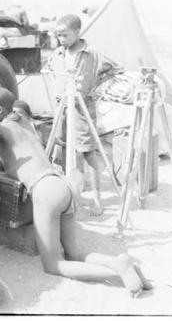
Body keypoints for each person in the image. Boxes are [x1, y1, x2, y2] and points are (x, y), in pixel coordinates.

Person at [0, 87, 150, 297]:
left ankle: (119, 271)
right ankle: (118, 262)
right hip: (62, 184)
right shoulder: (24, 121)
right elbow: (15, 159)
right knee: (75, 254)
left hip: (46, 191)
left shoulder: (3, 128)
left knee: (54, 265)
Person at [46, 14, 124, 215]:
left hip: (82, 108)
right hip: (62, 108)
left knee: (88, 152)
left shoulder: (93, 54)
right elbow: (50, 71)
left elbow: (117, 69)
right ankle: (69, 196)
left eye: (64, 35)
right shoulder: (57, 53)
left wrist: (94, 87)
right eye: (58, 35)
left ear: (77, 32)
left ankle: (98, 200)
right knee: (64, 150)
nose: (61, 39)